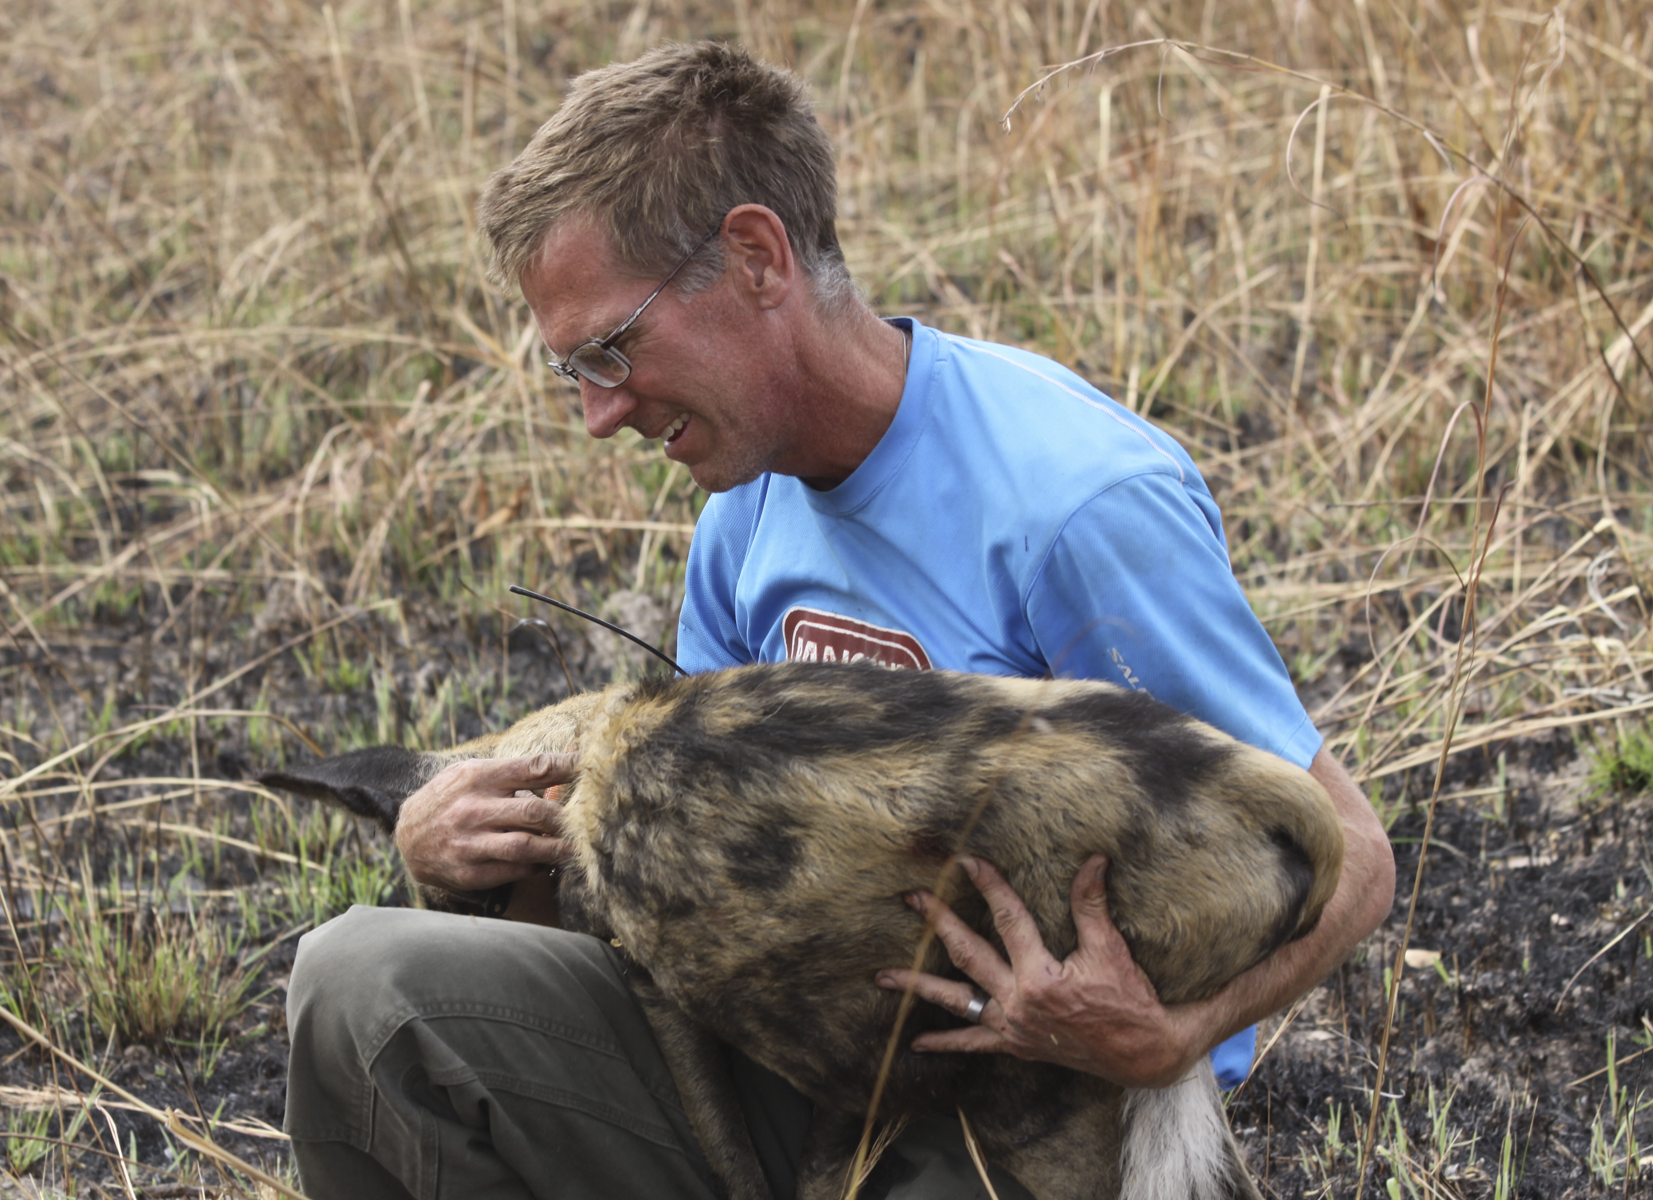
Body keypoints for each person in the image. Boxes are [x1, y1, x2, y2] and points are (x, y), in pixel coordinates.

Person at [283, 40, 1395, 1200]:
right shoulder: (743, 506)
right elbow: (677, 905)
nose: (600, 414)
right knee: (363, 985)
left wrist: (1172, 1037)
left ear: (756, 257)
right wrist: (463, 862)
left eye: (614, 349)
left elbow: (1350, 857)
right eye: (575, 373)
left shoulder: (1073, 502)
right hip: (787, 1056)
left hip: (1021, 1100)